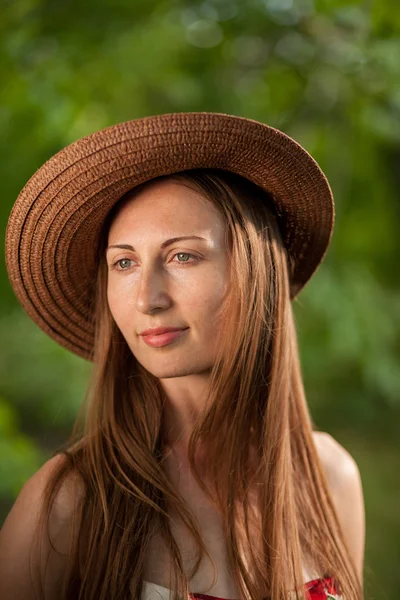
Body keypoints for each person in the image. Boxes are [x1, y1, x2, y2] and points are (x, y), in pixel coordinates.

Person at [0, 112, 365, 600]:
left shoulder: (329, 479)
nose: (147, 298)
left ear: (257, 275)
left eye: (182, 256)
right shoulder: (70, 503)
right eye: (124, 263)